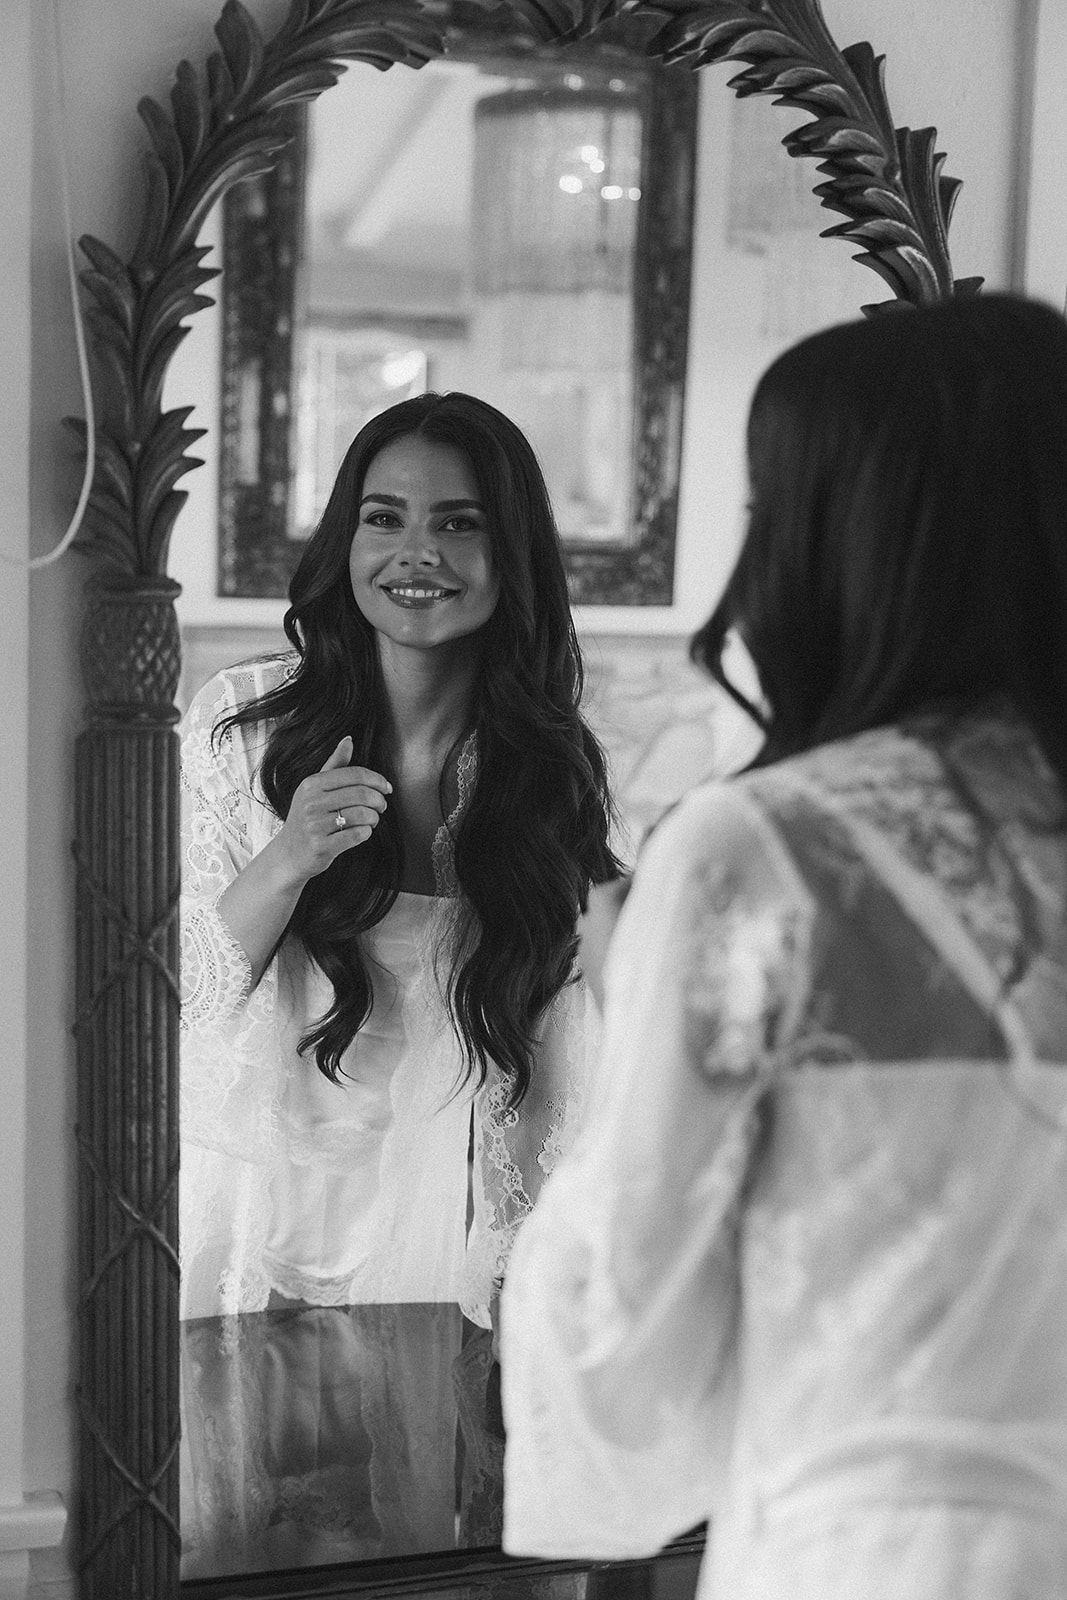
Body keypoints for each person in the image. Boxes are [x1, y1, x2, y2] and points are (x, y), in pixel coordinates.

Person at [499, 294, 1067, 1599]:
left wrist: (619, 983)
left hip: (878, 1554)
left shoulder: (766, 856)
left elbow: (622, 1340)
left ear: (837, 543)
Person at [179, 391, 619, 1325]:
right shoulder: (241, 730)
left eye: (459, 524)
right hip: (260, 1216)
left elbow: (569, 1038)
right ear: (347, 541)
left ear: (511, 557)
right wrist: (290, 855)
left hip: (443, 1241)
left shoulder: (543, 768)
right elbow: (180, 998)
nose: (416, 554)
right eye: (385, 519)